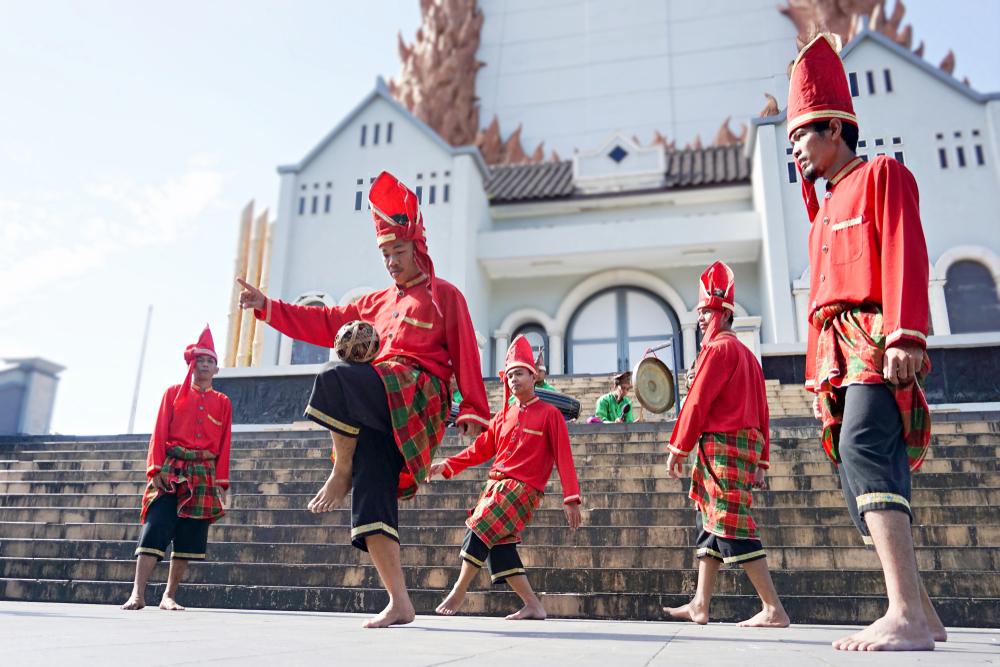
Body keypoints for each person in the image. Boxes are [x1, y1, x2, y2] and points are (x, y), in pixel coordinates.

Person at [238, 170, 491, 628]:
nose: (391, 261)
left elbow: (466, 352)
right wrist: (266, 307)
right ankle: (400, 601)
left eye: (398, 251)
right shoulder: (374, 301)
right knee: (371, 501)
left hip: (417, 396)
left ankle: (340, 469)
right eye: (385, 253)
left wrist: (473, 408)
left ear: (417, 247)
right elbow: (324, 321)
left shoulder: (444, 297)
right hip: (378, 404)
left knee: (336, 376)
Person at [787, 34, 946, 650]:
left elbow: (906, 249)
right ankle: (923, 614)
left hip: (879, 339)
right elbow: (817, 306)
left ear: (832, 128)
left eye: (801, 135)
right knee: (864, 463)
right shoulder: (822, 213)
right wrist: (812, 378)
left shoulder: (883, 175)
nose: (796, 149)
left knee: (864, 449)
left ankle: (904, 613)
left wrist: (907, 334)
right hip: (836, 352)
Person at [664, 262, 788, 628]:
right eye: (700, 311)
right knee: (713, 522)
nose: (701, 317)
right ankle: (700, 604)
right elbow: (763, 412)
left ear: (724, 313)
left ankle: (773, 608)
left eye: (706, 311)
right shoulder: (748, 356)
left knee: (733, 525)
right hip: (744, 445)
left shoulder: (718, 351)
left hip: (723, 444)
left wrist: (678, 447)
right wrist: (762, 463)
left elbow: (698, 402)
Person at [427, 335, 582, 620]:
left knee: (479, 525)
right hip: (495, 486)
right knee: (501, 548)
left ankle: (459, 590)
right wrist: (447, 464)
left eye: (519, 373)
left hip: (523, 489)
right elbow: (479, 450)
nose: (514, 379)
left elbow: (564, 458)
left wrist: (571, 499)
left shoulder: (551, 415)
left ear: (533, 377)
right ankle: (533, 605)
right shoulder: (502, 416)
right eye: (510, 375)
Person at [121, 325, 231, 611]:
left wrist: (221, 483)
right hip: (171, 468)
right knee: (155, 526)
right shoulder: (172, 393)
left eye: (210, 362)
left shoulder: (223, 403)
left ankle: (169, 595)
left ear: (216, 369)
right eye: (200, 361)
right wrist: (154, 469)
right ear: (191, 365)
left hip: (204, 472)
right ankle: (137, 593)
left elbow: (225, 443)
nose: (204, 366)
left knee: (188, 535)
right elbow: (158, 432)